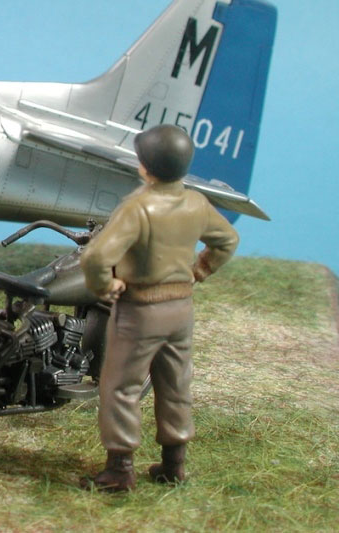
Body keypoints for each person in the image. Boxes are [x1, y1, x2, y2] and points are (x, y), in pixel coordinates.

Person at [80, 124, 239, 492]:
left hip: (140, 311)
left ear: (145, 166)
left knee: (121, 387)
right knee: (176, 384)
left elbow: (96, 257)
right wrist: (199, 270)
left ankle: (120, 470)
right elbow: (228, 240)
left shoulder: (138, 207)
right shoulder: (197, 203)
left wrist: (106, 286)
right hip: (180, 309)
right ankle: (174, 464)